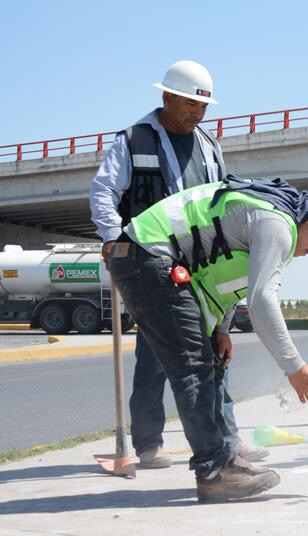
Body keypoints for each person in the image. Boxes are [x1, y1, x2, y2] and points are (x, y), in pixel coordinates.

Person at [107, 175, 308, 502]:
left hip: (146, 257)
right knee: (192, 368)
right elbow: (261, 301)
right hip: (148, 256)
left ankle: (222, 460)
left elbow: (223, 274)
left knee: (209, 361)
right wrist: (295, 367)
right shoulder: (278, 224)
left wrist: (221, 330)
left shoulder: (270, 214)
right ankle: (214, 470)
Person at [90, 60, 268, 469]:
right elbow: (103, 190)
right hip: (152, 260)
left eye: (204, 107)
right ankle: (149, 443)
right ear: (166, 96)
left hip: (200, 260)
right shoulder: (134, 139)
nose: (198, 114)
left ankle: (228, 436)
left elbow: (220, 194)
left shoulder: (208, 142)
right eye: (190, 105)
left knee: (214, 350)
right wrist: (113, 237)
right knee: (155, 353)